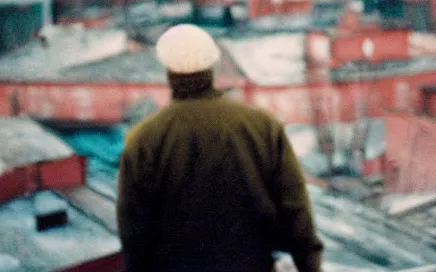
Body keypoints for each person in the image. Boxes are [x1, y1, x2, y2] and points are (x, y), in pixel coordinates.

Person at [117, 24, 323, 272]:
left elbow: (134, 231)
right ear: (211, 65)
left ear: (168, 69)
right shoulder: (262, 125)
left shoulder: (144, 139)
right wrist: (309, 266)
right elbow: (295, 210)